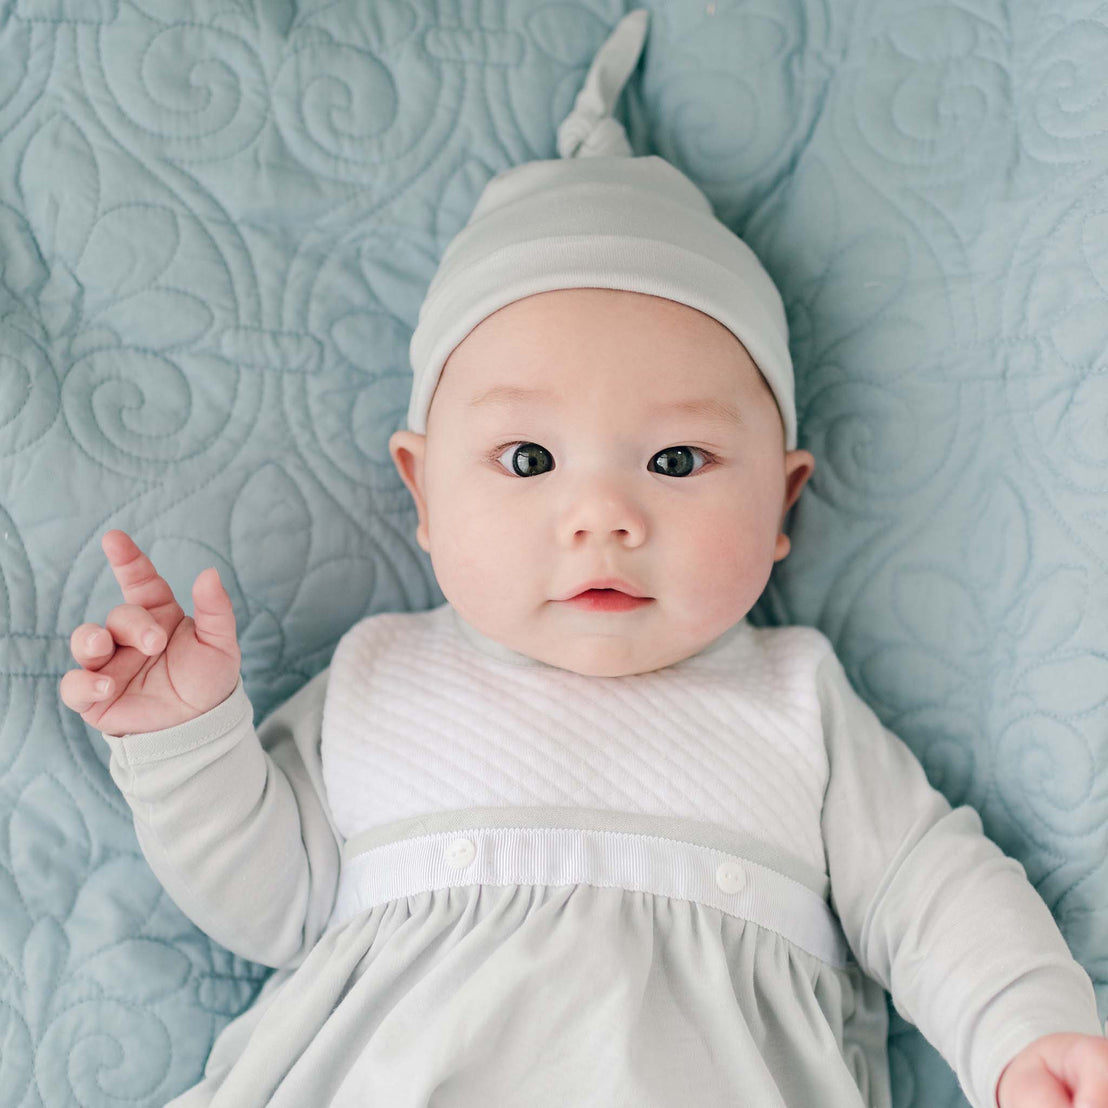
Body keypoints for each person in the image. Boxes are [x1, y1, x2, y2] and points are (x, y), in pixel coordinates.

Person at [59, 11, 1104, 1108]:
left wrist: (1022, 1032)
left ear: (783, 495)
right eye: (526, 457)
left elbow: (932, 890)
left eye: (674, 457)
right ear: (419, 490)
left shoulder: (796, 704)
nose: (601, 515)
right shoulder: (380, 679)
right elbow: (270, 900)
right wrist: (186, 737)